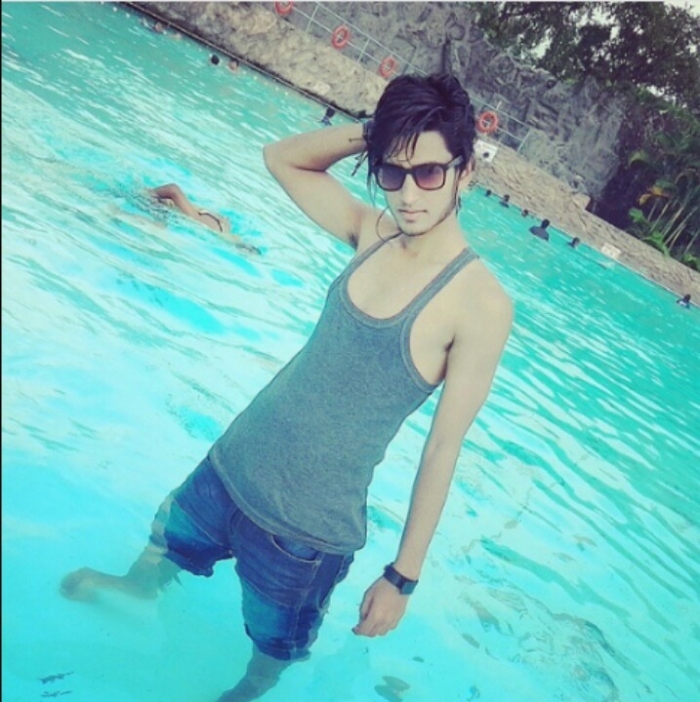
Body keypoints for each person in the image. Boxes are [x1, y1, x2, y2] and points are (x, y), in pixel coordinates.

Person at [60, 74, 512, 702]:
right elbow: (282, 158)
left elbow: (443, 448)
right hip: (234, 463)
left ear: (466, 172)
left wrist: (402, 577)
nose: (408, 194)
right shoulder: (374, 232)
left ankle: (245, 694)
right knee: (167, 540)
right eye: (392, 171)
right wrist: (379, 131)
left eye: (430, 173)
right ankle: (136, 588)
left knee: (272, 647)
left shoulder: (480, 303)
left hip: (305, 530)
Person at [148, 183, 259, 253]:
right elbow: (173, 190)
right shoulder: (214, 225)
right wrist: (147, 194)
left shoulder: (224, 222)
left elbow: (174, 191)